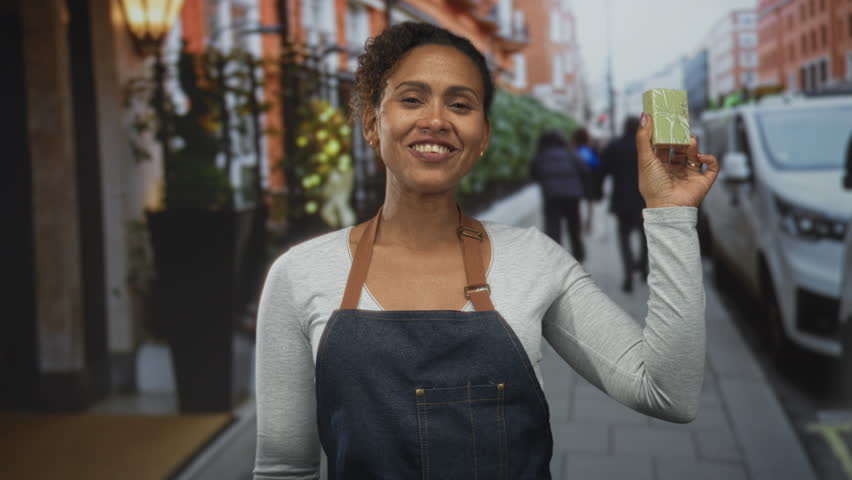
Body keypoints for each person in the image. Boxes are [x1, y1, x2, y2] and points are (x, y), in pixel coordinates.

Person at [254, 22, 719, 480]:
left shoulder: (535, 260)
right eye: (412, 98)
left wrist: (671, 214)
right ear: (374, 125)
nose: (436, 119)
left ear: (483, 137)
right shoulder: (300, 275)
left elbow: (667, 392)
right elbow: (284, 469)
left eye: (460, 104)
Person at [601, 116, 648, 293]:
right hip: (645, 201)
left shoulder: (615, 146)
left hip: (622, 201)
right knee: (645, 238)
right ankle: (643, 269)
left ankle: (628, 275)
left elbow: (603, 169)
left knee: (624, 239)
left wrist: (596, 192)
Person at [530, 129, 587, 262]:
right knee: (574, 226)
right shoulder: (570, 153)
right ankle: (578, 255)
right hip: (573, 195)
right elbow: (584, 169)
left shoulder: (541, 155)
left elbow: (533, 174)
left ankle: (555, 259)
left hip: (552, 195)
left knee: (553, 227)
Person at [572, 127, 603, 234]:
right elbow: (597, 165)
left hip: (576, 182)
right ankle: (588, 224)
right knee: (589, 204)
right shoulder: (590, 150)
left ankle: (579, 224)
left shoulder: (573, 151)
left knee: (578, 205)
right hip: (589, 182)